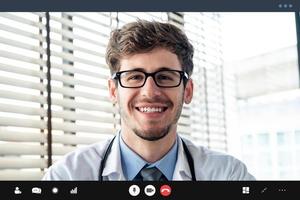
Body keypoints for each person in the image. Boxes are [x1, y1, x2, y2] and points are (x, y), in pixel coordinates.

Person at [42, 20, 255, 181]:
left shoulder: (229, 176)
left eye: (164, 77)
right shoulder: (66, 177)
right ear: (113, 91)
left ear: (188, 90)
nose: (150, 92)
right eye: (135, 77)